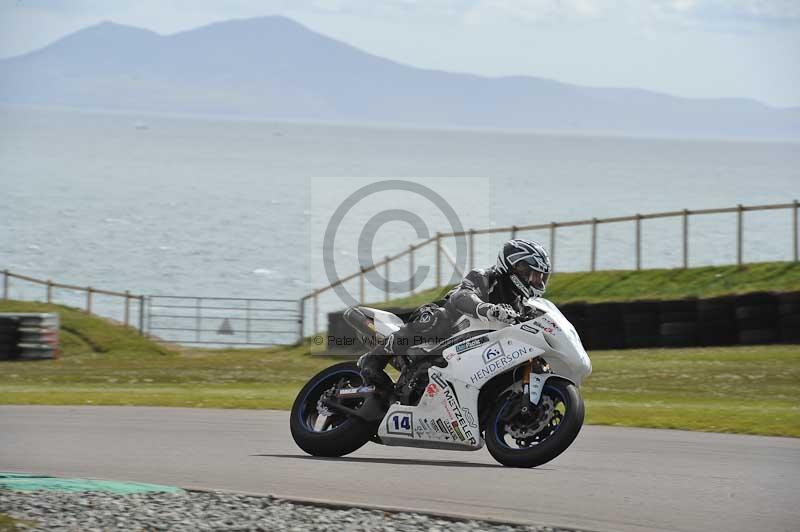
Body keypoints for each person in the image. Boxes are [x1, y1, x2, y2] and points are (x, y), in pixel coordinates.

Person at [356, 238, 552, 387]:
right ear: (516, 268)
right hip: (445, 323)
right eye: (534, 275)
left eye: (541, 277)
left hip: (475, 350)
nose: (537, 281)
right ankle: (375, 359)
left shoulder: (521, 304)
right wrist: (488, 309)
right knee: (435, 319)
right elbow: (461, 297)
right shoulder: (484, 276)